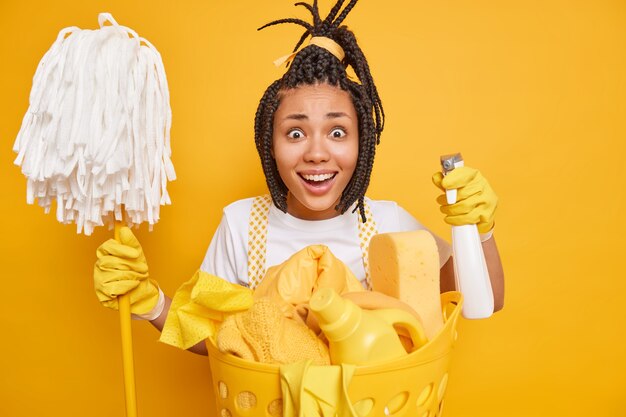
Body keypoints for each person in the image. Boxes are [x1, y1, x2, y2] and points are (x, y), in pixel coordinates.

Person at [94, 0, 504, 357]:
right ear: (268, 144)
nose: (316, 152)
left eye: (337, 131)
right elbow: (216, 338)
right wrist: (151, 303)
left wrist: (478, 232)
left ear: (363, 144)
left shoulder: (389, 224)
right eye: (295, 132)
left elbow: (483, 298)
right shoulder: (241, 225)